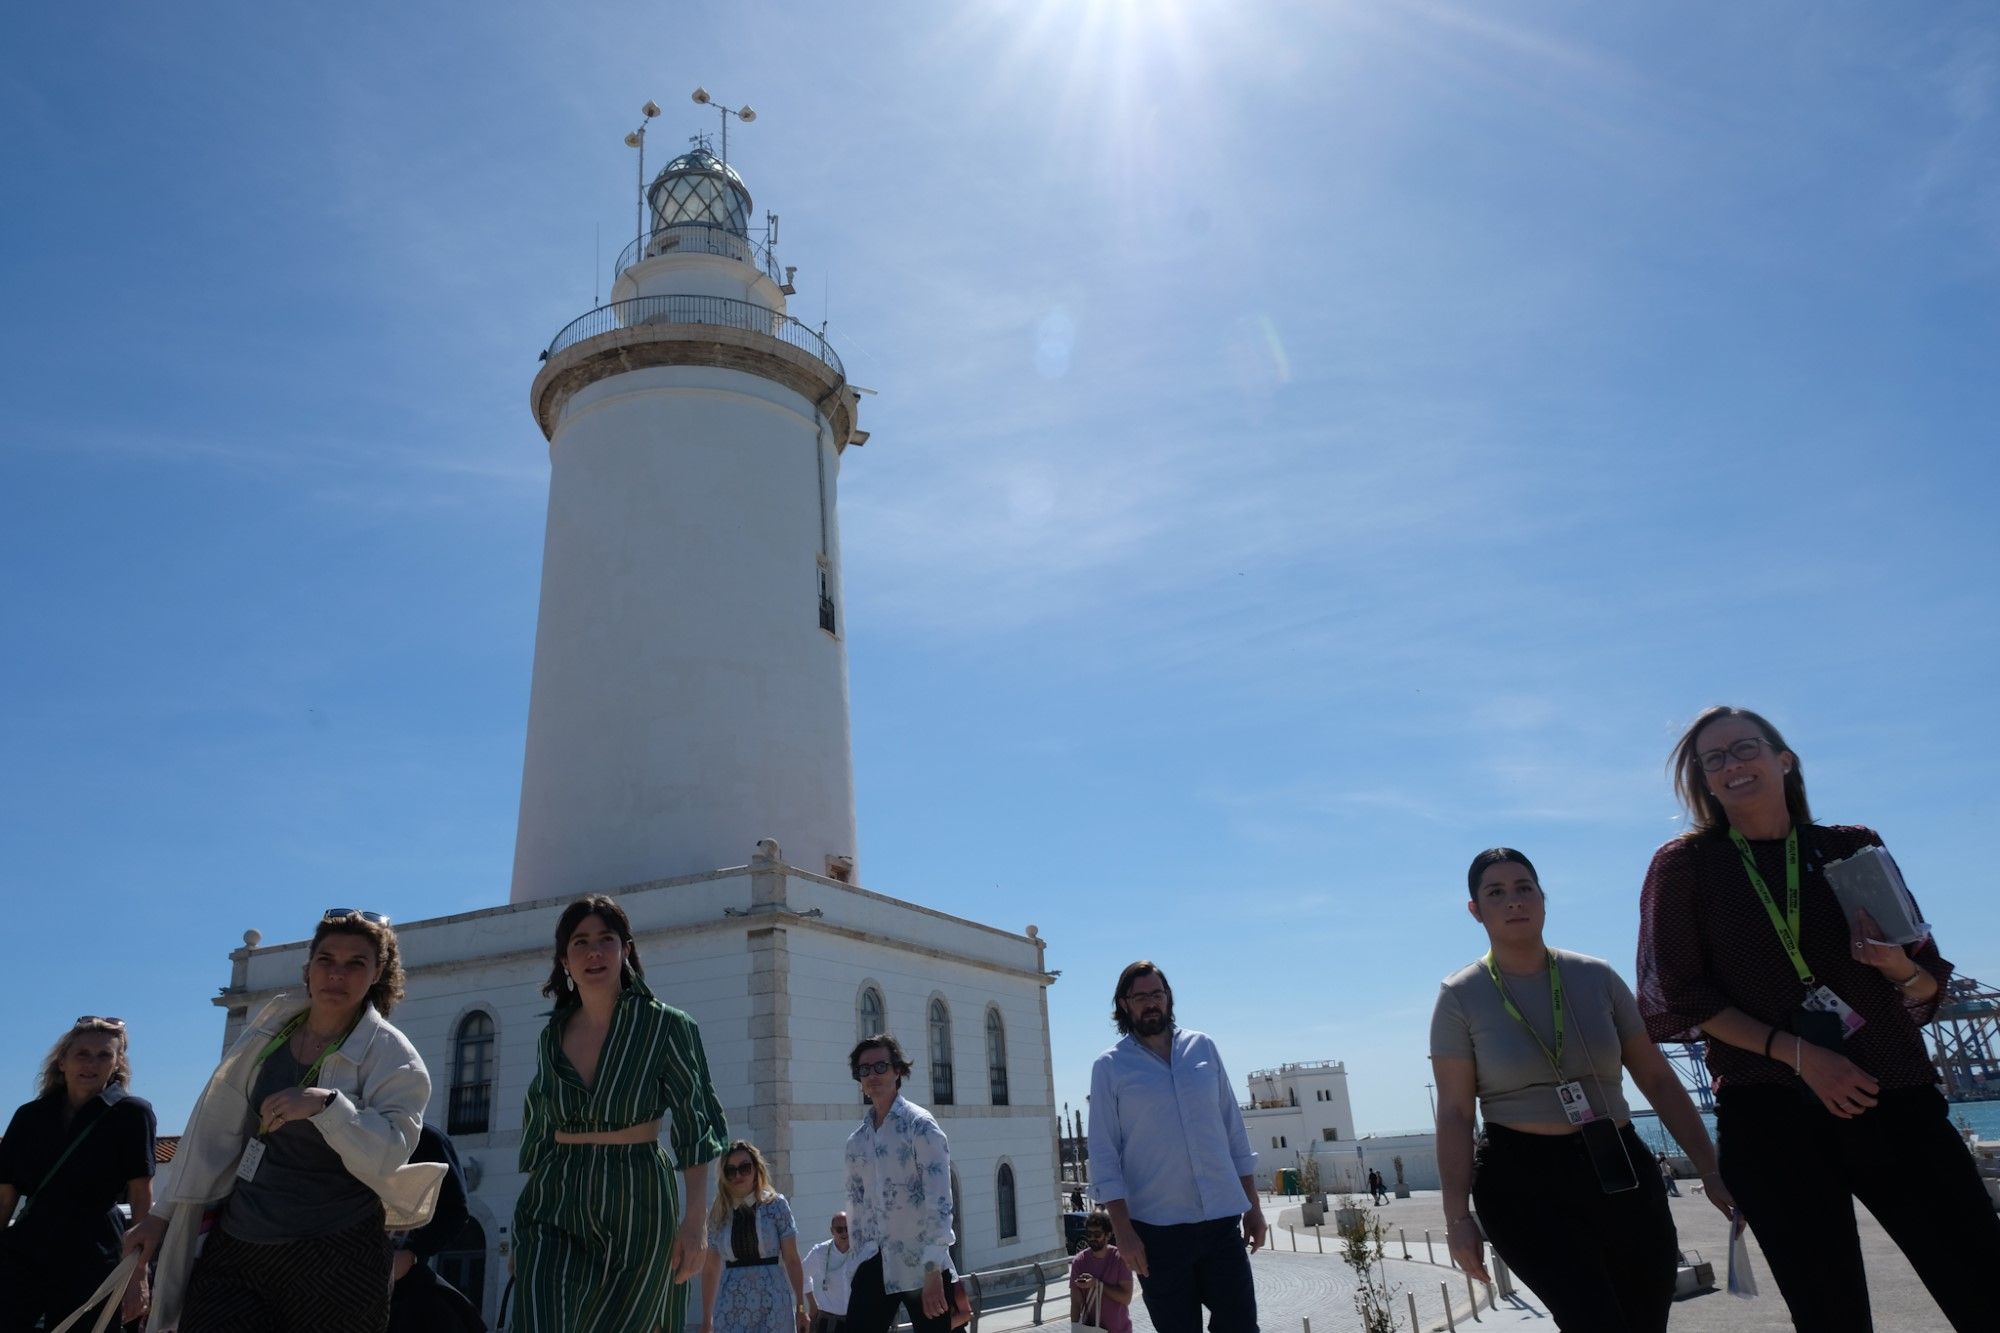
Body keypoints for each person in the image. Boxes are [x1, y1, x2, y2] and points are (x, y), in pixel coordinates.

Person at [1637, 705, 2000, 1332]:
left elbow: (1925, 977)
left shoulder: (1853, 846)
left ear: (1784, 759)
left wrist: (1894, 968)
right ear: (1704, 781)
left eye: (1744, 748)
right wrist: (1801, 1055)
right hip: (1771, 1114)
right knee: (1830, 1317)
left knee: (1985, 1286)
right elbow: (1680, 997)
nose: (1732, 765)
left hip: (1894, 1096)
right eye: (1713, 759)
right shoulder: (1686, 865)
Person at [1432, 849, 1728, 1333]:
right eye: (1496, 892)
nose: (1513, 901)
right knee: (1593, 1320)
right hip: (1523, 1182)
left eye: (1524, 887)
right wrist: (1457, 1220)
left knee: (1647, 1316)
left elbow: (1655, 1078)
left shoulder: (1597, 977)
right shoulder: (1459, 996)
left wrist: (1711, 1167)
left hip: (1620, 1165)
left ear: (1543, 898)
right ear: (1475, 909)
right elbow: (1456, 1114)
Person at [124, 909, 446, 1333]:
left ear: (378, 973)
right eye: (326, 960)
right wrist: (161, 1215)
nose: (337, 974)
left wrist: (328, 1106)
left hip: (338, 1256)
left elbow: (388, 1154)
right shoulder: (266, 1032)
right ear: (308, 968)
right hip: (238, 1247)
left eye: (356, 964)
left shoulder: (393, 1054)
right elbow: (213, 1136)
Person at [512, 894, 730, 1333]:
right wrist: (521, 1234)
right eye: (580, 942)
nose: (594, 951)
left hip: (639, 1197)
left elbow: (695, 1124)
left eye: (606, 939)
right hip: (555, 1196)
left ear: (625, 950)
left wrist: (694, 1224)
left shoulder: (668, 1026)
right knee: (540, 1318)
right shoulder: (549, 1037)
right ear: (565, 960)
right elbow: (538, 1127)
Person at [1087, 961, 1264, 1333]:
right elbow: (1104, 1154)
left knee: (1242, 1326)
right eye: (1140, 997)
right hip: (1157, 1235)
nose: (1151, 1003)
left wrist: (1254, 1208)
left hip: (1220, 1224)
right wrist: (1123, 1231)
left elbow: (1233, 1129)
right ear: (1124, 1004)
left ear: (1168, 999)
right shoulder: (1110, 1067)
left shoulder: (1204, 1048)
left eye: (1157, 994)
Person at [0, 1017, 156, 1332]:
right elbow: (5, 1195)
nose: (92, 1063)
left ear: (117, 1063)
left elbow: (142, 1196)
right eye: (82, 1053)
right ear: (62, 1061)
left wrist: (138, 1273)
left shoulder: (131, 1114)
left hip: (95, 1250)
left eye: (104, 1055)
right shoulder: (30, 1116)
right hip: (28, 1245)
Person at [842, 1034, 954, 1333]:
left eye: (881, 1066)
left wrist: (933, 1270)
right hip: (872, 1262)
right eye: (864, 1070)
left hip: (922, 1266)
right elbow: (855, 1206)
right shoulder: (857, 1141)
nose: (872, 1075)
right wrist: (855, 1263)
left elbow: (940, 1202)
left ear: (898, 1071)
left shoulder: (921, 1126)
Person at [698, 1140, 807, 1333]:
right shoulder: (718, 1212)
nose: (738, 1175)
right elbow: (711, 1269)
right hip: (731, 1306)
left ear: (756, 1170)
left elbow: (792, 1259)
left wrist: (800, 1308)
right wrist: (707, 1320)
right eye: (731, 1171)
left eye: (744, 1168)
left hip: (773, 1305)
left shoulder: (776, 1206)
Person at [387, 1123, 484, 1333]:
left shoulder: (429, 1139)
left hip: (405, 1284)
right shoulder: (343, 1135)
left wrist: (412, 1254)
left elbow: (455, 1210)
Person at [1066, 1210, 1133, 1333]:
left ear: (1108, 1235)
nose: (1092, 1238)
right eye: (1089, 1234)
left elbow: (1126, 1298)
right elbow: (1075, 1303)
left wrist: (1097, 1284)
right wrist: (1074, 1329)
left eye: (1097, 1234)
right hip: (1091, 1329)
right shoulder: (1079, 1261)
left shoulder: (1120, 1258)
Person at [800, 1212, 855, 1333]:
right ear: (832, 1231)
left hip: (856, 1319)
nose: (844, 1233)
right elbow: (801, 1274)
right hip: (829, 1321)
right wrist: (812, 1303)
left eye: (848, 1228)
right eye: (840, 1229)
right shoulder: (820, 1252)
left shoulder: (861, 1250)